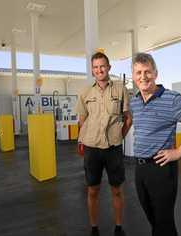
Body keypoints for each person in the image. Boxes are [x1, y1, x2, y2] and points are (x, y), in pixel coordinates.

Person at [130, 52, 181, 236]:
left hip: (161, 168)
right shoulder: (134, 101)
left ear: (156, 73)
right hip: (140, 169)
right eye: (139, 73)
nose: (143, 77)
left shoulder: (171, 99)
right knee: (153, 220)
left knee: (164, 223)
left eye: (147, 72)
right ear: (134, 77)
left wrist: (179, 152)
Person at [77, 52, 132, 236]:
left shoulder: (120, 89)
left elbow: (128, 119)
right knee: (92, 190)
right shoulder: (85, 93)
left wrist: (119, 137)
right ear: (92, 70)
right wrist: (85, 139)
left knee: (116, 190)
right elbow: (82, 121)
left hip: (113, 148)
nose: (99, 70)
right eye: (95, 67)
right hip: (92, 148)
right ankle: (94, 228)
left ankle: (118, 227)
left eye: (102, 66)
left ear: (109, 67)